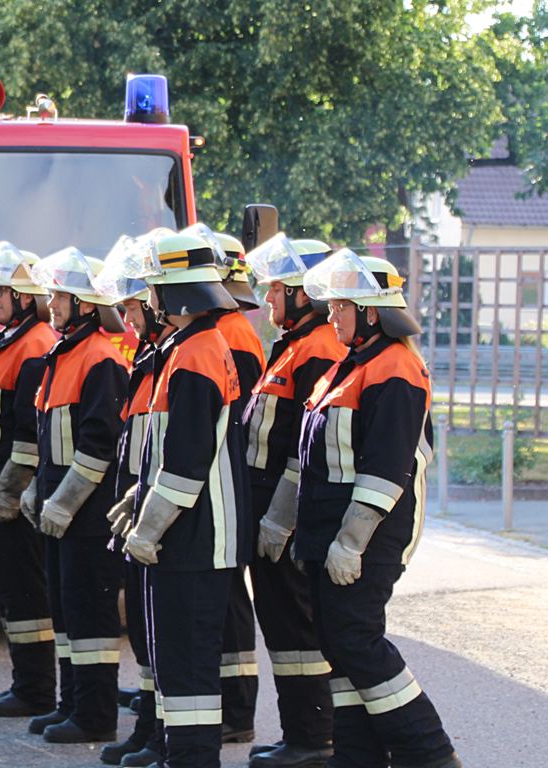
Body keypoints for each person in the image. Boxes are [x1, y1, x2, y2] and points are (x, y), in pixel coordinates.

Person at [295, 250, 461, 768]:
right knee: (339, 643)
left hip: (371, 534)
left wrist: (350, 542)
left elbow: (387, 466)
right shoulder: (351, 365)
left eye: (341, 307)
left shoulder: (395, 367)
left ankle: (429, 754)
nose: (331, 316)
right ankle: (358, 756)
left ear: (371, 312)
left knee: (356, 638)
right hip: (334, 532)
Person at [121, 228, 250, 768]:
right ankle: (182, 756)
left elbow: (187, 464)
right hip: (191, 536)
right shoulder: (187, 347)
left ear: (173, 292)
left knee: (190, 666)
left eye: (153, 289)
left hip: (198, 538)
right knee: (177, 663)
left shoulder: (196, 353)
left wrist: (148, 527)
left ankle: (192, 759)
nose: (147, 301)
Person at [242, 234, 345, 768]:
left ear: (305, 293)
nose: (268, 299)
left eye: (277, 289)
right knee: (283, 628)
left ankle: (312, 739)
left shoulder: (319, 347)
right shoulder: (293, 345)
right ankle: (301, 734)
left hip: (287, 517)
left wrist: (279, 521)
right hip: (271, 513)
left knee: (297, 629)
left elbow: (304, 452)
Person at [25, 247, 130, 744]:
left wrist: (62, 502)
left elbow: (98, 448)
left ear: (86, 304)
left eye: (60, 295)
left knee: (90, 617)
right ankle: (72, 705)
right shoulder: (64, 354)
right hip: (61, 514)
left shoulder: (101, 360)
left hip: (87, 520)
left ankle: (94, 716)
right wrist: (35, 490)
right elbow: (51, 444)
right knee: (67, 616)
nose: (52, 302)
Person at [0, 242, 59, 718]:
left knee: (25, 593)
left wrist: (9, 493)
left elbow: (28, 434)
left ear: (25, 296)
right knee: (9, 590)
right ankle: (28, 684)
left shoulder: (35, 346)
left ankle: (36, 690)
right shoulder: (12, 341)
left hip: (13, 502)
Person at [93, 234, 173, 767]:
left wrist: (149, 518)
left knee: (166, 644)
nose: (123, 315)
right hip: (144, 512)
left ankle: (163, 737)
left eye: (129, 304)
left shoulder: (180, 356)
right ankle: (149, 728)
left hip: (170, 527)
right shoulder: (151, 355)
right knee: (146, 642)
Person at [203, 226, 267, 746]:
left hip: (228, 485)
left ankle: (237, 709)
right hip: (226, 483)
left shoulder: (230, 333)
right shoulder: (227, 328)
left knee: (227, 600)